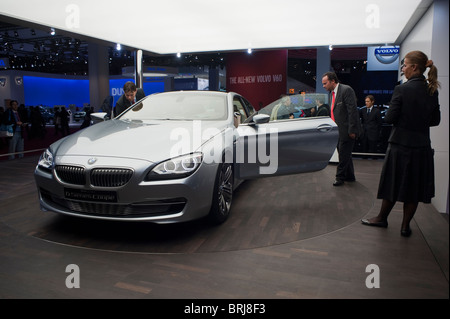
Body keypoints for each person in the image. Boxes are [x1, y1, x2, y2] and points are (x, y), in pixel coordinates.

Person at [361, 50, 441, 237]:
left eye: (404, 65)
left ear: (414, 67)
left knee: (392, 184)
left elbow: (389, 117)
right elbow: (435, 121)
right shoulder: (432, 90)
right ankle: (405, 226)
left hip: (399, 145)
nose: (403, 68)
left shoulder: (402, 89)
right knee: (413, 189)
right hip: (421, 147)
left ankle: (382, 218)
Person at [322, 72, 361, 186]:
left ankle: (339, 178)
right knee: (345, 154)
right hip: (337, 130)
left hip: (347, 130)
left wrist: (352, 130)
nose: (323, 86)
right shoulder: (331, 94)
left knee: (343, 155)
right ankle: (350, 176)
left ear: (332, 81)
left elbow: (352, 111)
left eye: (325, 83)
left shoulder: (346, 90)